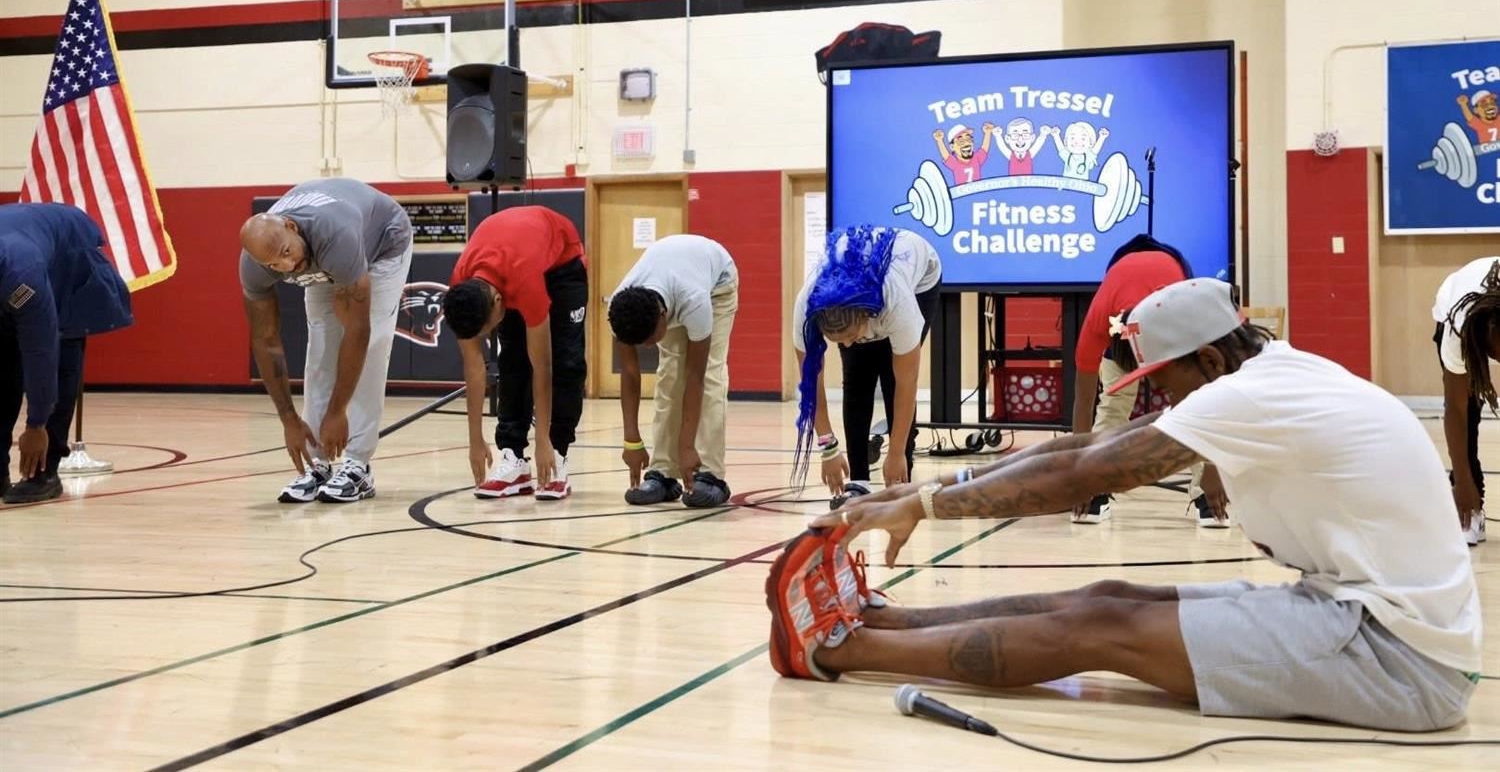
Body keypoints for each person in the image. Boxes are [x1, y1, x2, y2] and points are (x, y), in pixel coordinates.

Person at [766, 278, 1481, 733]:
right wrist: (918, 491)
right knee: (1105, 592)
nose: (1156, 394)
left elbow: (1081, 475)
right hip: (1364, 615)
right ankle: (886, 621)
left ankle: (836, 650)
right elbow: (1073, 448)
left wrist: (925, 507)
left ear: (1205, 359)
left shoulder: (1249, 396)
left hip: (1400, 661)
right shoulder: (1263, 373)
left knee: (1103, 626)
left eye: (1161, 377)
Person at [240, 179, 413, 505]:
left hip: (384, 243)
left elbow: (358, 332)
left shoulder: (336, 235)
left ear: (291, 227)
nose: (287, 267)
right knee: (321, 344)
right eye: (275, 264)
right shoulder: (256, 267)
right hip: (322, 256)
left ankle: (358, 466)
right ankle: (317, 462)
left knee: (372, 342)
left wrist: (338, 411)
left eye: (286, 253)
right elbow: (266, 340)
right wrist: (289, 420)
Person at [1067, 235, 1225, 526]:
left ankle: (1204, 492)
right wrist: (1082, 477)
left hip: (1169, 289)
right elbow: (1083, 402)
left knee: (1191, 401)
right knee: (1113, 404)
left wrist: (1214, 468)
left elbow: (1210, 399)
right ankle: (1098, 488)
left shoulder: (1184, 313)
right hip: (1124, 299)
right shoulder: (1098, 322)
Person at [444, 205, 586, 502]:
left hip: (562, 263)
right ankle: (512, 457)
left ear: (498, 301)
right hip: (513, 255)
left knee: (566, 361)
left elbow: (543, 366)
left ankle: (557, 454)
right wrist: (474, 440)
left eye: (487, 329)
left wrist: (544, 440)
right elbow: (474, 367)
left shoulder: (525, 282)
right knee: (512, 361)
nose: (485, 336)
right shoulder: (462, 285)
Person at [793, 225, 941, 510]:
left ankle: (901, 477)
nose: (846, 344)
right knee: (856, 375)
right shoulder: (807, 308)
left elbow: (907, 382)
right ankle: (859, 481)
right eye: (838, 341)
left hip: (921, 278)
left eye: (850, 336)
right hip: (858, 301)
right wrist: (828, 449)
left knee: (891, 376)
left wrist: (896, 452)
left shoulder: (897, 304)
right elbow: (811, 387)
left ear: (867, 315)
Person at [1, 203, 132, 504]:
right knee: (4, 363)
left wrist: (36, 425)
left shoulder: (23, 279)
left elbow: (41, 350)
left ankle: (44, 472)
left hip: (69, 255)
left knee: (62, 353)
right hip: (27, 238)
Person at [607, 234, 738, 508]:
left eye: (651, 340)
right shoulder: (621, 308)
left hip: (718, 285)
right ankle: (664, 474)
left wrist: (687, 446)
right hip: (672, 280)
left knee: (711, 374)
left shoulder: (694, 301)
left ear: (663, 316)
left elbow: (696, 376)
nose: (646, 346)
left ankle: (711, 475)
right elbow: (630, 376)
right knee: (669, 375)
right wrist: (631, 441)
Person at [1434, 255, 1500, 546]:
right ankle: (1470, 508)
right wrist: (1462, 482)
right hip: (1454, 309)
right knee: (1470, 412)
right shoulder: (1459, 331)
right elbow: (1456, 411)